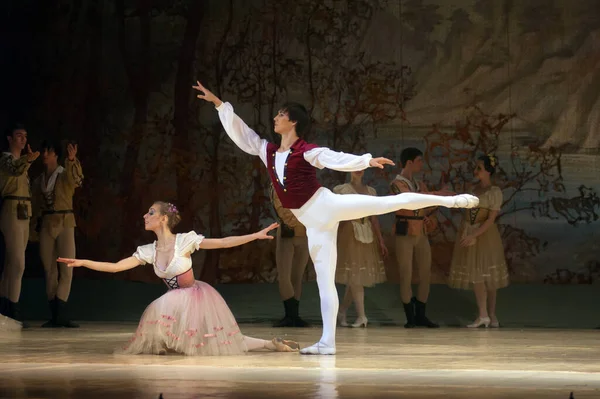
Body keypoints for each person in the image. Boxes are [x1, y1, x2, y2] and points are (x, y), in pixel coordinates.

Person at [193, 81, 479, 355]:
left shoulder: (306, 151)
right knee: (324, 282)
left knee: (388, 203)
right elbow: (242, 133)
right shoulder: (267, 150)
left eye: (281, 114)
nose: (276, 117)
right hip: (313, 224)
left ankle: (452, 201)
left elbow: (335, 158)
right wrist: (219, 104)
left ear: (293, 122)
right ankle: (327, 343)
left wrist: (366, 161)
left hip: (326, 206)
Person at [58, 201, 299, 355]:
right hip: (174, 306)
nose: (145, 215)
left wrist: (255, 235)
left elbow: (223, 242)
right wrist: (82, 262)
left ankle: (269, 344)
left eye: (150, 212)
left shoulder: (184, 241)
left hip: (197, 299)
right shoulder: (149, 250)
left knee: (222, 341)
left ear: (163, 219)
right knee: (180, 338)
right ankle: (268, 344)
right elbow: (116, 267)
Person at [448, 155, 509, 328]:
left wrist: (475, 234)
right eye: (476, 168)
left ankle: (489, 314)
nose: (475, 171)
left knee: (488, 276)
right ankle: (483, 314)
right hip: (469, 230)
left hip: (485, 235)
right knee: (477, 274)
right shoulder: (473, 189)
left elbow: (490, 220)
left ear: (488, 171)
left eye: (479, 168)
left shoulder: (494, 192)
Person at [31, 140, 83, 328]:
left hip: (64, 221)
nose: (45, 155)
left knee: (67, 267)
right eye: (44, 151)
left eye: (49, 151)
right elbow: (35, 204)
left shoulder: (63, 174)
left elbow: (76, 180)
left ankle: (60, 312)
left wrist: (71, 160)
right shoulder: (39, 180)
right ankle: (54, 314)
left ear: (55, 155)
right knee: (49, 269)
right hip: (47, 223)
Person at [390, 148, 440, 328]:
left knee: (426, 273)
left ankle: (421, 314)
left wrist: (428, 213)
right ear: (409, 162)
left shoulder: (419, 184)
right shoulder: (397, 183)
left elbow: (427, 205)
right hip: (405, 230)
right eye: (419, 160)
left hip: (421, 232)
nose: (421, 164)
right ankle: (410, 316)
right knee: (406, 273)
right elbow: (409, 201)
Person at [334, 171, 387, 329]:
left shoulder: (371, 191)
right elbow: (336, 216)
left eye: (361, 167)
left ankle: (342, 310)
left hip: (366, 231)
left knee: (357, 276)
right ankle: (362, 316)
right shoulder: (341, 190)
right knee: (355, 276)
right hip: (348, 232)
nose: (358, 170)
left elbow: (374, 218)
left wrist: (381, 240)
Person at [0, 123, 39, 328]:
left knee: (12, 263)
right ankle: (11, 309)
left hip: (24, 209)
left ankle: (7, 306)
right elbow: (14, 170)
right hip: (12, 207)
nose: (23, 139)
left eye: (25, 136)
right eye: (18, 136)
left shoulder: (23, 163)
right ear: (9, 138)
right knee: (17, 263)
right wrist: (28, 160)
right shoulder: (6, 159)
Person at [269, 184, 310, 327]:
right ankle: (290, 315)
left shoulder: (303, 182)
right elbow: (280, 208)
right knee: (284, 275)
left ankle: (294, 315)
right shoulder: (278, 184)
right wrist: (297, 222)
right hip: (289, 232)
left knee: (297, 276)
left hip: (303, 233)